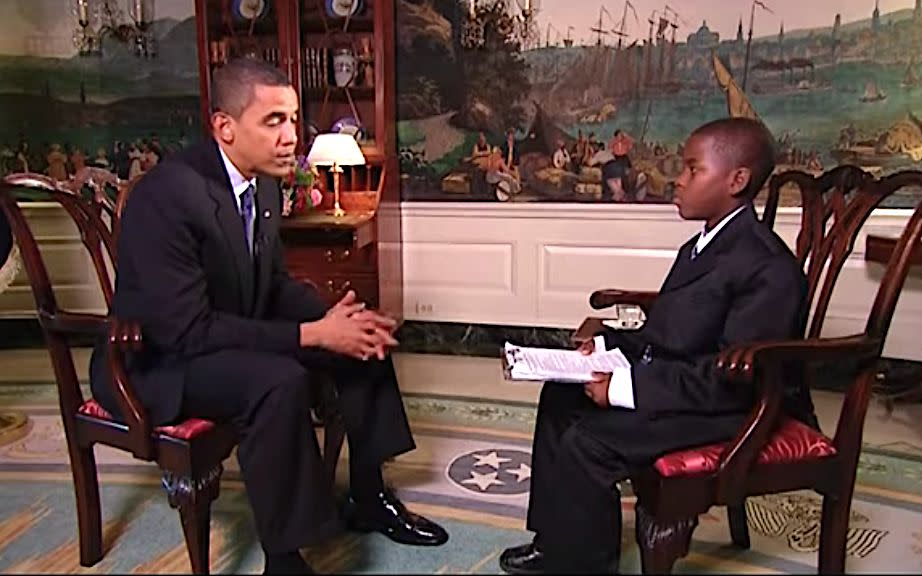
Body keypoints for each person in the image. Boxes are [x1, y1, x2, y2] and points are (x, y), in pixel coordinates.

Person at [89, 57, 448, 575]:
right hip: (157, 360)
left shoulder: (264, 182)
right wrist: (312, 333)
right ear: (224, 127)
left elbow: (273, 284)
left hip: (219, 334)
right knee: (277, 379)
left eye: (294, 119)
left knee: (357, 336)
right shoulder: (169, 196)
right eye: (274, 121)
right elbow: (188, 331)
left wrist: (337, 319)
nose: (291, 136)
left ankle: (370, 496)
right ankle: (284, 558)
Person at [499, 117, 813, 574]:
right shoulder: (699, 247)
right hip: (686, 387)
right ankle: (558, 544)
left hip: (732, 408)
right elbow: (671, 332)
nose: (677, 181)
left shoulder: (767, 268)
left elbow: (732, 380)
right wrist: (605, 346)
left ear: (737, 180)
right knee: (561, 396)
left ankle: (585, 565)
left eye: (692, 170)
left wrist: (626, 390)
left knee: (588, 442)